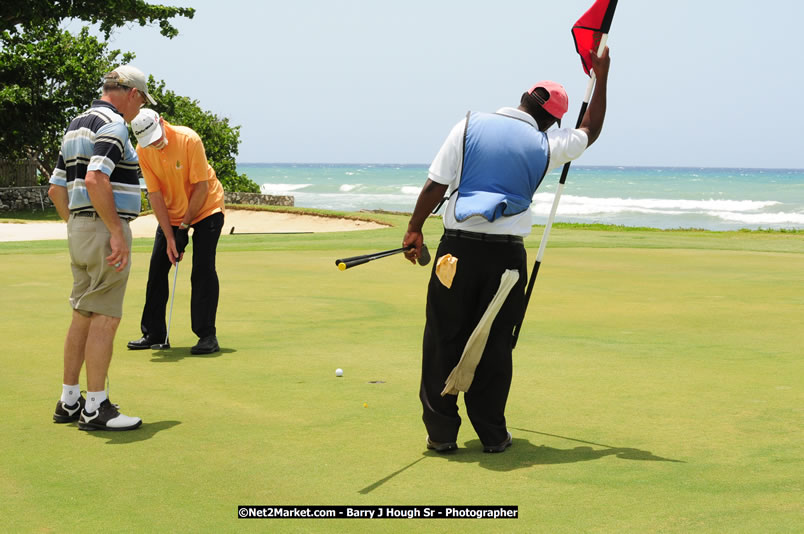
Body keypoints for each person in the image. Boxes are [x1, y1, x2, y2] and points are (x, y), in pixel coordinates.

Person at [403, 47, 611, 453]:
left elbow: (435, 186)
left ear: (522, 98)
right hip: (506, 264)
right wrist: (601, 77)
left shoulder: (466, 125)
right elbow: (590, 130)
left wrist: (414, 230)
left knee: (442, 340)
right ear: (552, 119)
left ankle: (442, 435)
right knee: (495, 344)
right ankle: (493, 435)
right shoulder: (546, 144)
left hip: (454, 255)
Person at [49, 65, 157, 431]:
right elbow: (97, 177)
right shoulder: (112, 124)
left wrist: (76, 227)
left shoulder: (76, 122)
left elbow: (56, 188)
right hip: (103, 227)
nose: (138, 108)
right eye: (141, 99)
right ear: (130, 92)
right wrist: (112, 230)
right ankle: (96, 407)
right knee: (106, 316)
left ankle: (70, 400)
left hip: (79, 227)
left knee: (83, 312)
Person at [126, 109, 225, 355]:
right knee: (158, 267)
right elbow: (155, 195)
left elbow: (201, 188)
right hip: (172, 212)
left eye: (157, 137)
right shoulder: (143, 151)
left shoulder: (189, 139)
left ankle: (207, 336)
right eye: (150, 141)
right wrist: (170, 237)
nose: (156, 143)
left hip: (207, 208)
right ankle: (154, 332)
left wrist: (183, 228)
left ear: (161, 122)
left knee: (202, 269)